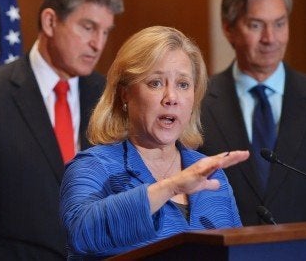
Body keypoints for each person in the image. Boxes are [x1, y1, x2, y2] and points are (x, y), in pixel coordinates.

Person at [0, 0, 124, 260]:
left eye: (105, 32)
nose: (98, 44)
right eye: (88, 27)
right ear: (50, 22)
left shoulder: (108, 96)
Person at [60, 26, 249, 258]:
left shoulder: (211, 174)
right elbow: (82, 234)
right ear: (125, 94)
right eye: (156, 83)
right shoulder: (94, 167)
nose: (171, 98)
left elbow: (240, 252)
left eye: (183, 84)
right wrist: (172, 186)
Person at [198, 0, 306, 225]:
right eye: (256, 25)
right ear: (229, 29)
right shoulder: (198, 102)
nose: (270, 38)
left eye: (280, 24)